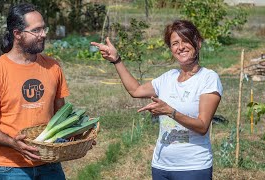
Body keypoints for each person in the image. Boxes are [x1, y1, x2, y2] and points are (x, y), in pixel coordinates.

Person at [91, 19, 223, 180]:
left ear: (198, 43)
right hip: (161, 166)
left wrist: (170, 112)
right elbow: (135, 90)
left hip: (193, 167)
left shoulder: (208, 78)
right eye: (175, 43)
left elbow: (202, 126)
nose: (180, 47)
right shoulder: (168, 77)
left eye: (186, 41)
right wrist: (117, 60)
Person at [0, 3, 69, 180]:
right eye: (37, 30)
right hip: (10, 168)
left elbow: (61, 115)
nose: (44, 34)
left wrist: (77, 135)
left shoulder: (53, 67)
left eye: (44, 28)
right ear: (17, 34)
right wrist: (13, 143)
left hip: (50, 165)